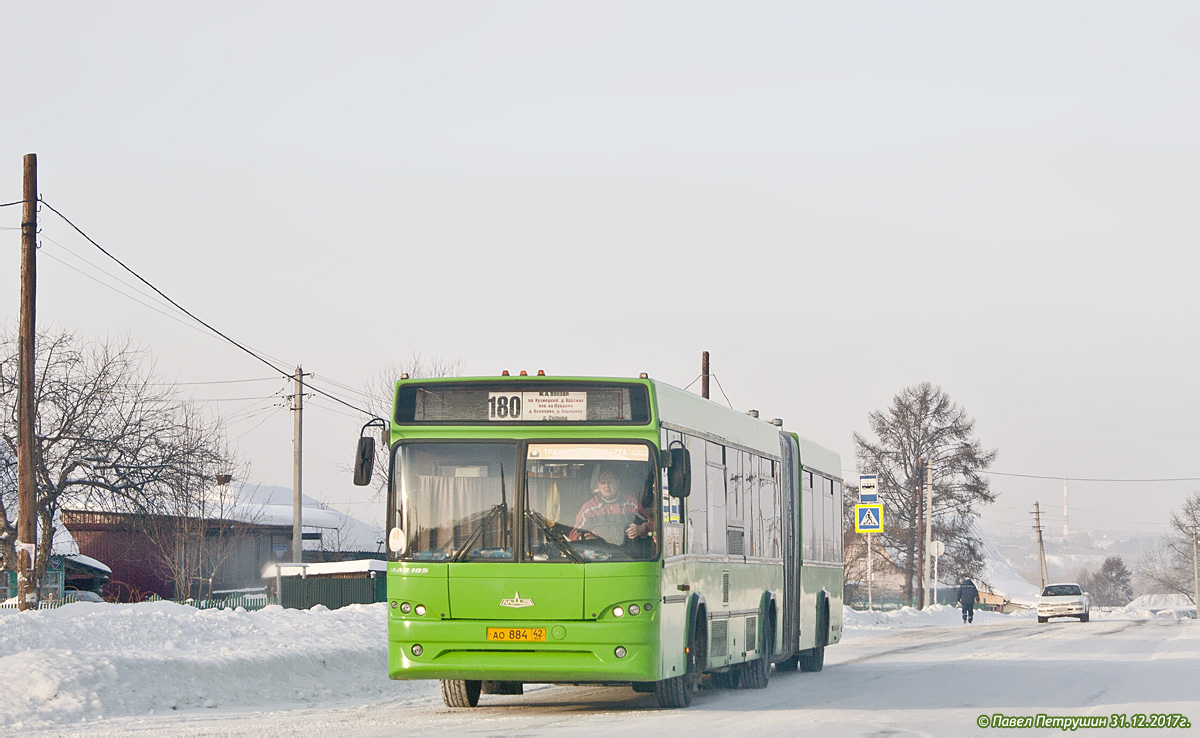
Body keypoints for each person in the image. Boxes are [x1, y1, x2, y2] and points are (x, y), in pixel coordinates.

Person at [569, 468, 655, 544]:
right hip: (599, 556)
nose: (607, 486)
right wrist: (582, 537)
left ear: (617, 483)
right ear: (598, 485)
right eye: (603, 482)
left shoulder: (631, 504)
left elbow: (654, 525)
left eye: (610, 482)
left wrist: (642, 529)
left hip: (629, 556)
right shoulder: (588, 509)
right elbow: (573, 534)